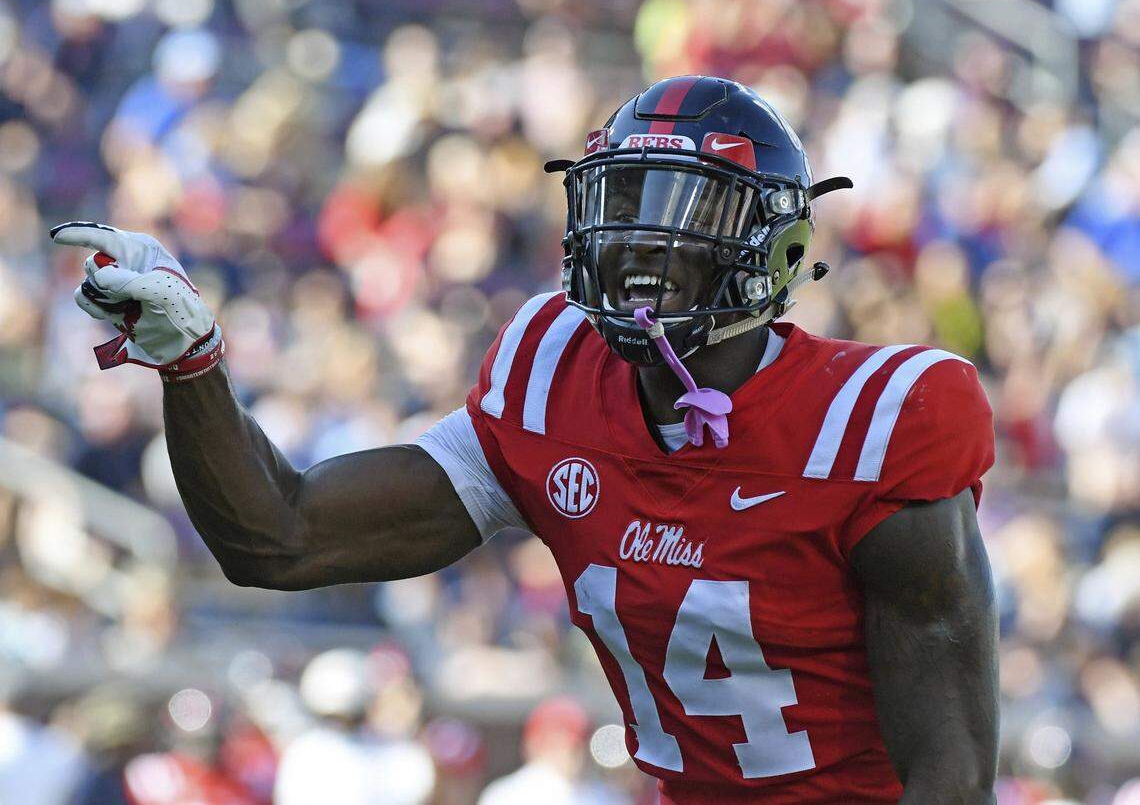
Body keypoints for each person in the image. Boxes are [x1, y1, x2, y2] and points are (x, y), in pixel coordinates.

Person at [52, 75, 999, 804]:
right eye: (623, 203)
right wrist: (193, 365)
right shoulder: (555, 371)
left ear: (777, 250)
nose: (638, 242)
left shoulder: (878, 422)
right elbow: (279, 537)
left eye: (684, 214)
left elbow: (950, 781)